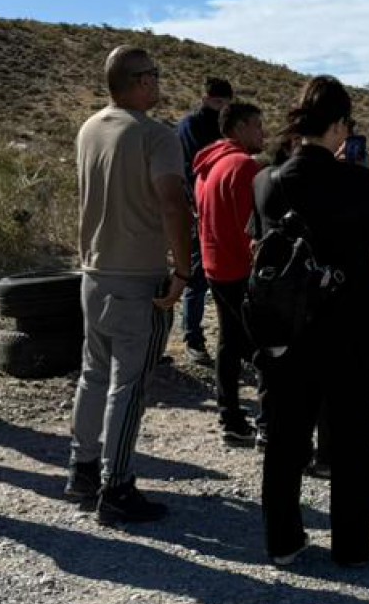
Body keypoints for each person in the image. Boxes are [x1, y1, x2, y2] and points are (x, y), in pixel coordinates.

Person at [253, 76, 369, 566]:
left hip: (289, 329)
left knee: (286, 435)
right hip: (353, 325)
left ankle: (283, 540)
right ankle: (353, 545)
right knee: (353, 437)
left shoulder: (269, 182)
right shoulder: (359, 181)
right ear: (339, 125)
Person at [67, 46, 193, 524]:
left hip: (93, 272)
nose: (158, 83)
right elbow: (173, 204)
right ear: (140, 82)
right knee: (130, 384)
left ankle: (83, 469)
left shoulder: (89, 129)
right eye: (155, 76)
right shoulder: (155, 136)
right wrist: (183, 271)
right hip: (138, 275)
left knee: (94, 374)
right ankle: (115, 487)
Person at [191, 100, 266, 446]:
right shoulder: (244, 167)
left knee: (228, 342)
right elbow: (251, 228)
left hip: (214, 266)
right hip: (241, 268)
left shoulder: (207, 166)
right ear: (239, 128)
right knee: (265, 346)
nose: (262, 132)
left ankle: (230, 416)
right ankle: (269, 420)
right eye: (257, 125)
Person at [176, 77, 235, 364]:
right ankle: (192, 338)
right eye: (216, 101)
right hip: (197, 211)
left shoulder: (225, 129)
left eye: (225, 103)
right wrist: (196, 207)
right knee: (197, 276)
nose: (220, 107)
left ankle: (234, 341)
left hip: (224, 212)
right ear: (205, 98)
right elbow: (190, 170)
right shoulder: (191, 128)